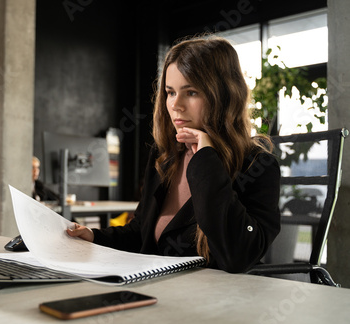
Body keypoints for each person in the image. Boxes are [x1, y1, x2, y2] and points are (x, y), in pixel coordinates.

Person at [67, 36, 281, 273]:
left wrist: (206, 160)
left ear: (223, 95)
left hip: (215, 300)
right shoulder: (165, 157)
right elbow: (141, 233)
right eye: (170, 92)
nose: (175, 105)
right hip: (156, 291)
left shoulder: (258, 166)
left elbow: (239, 255)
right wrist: (93, 237)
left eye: (190, 93)